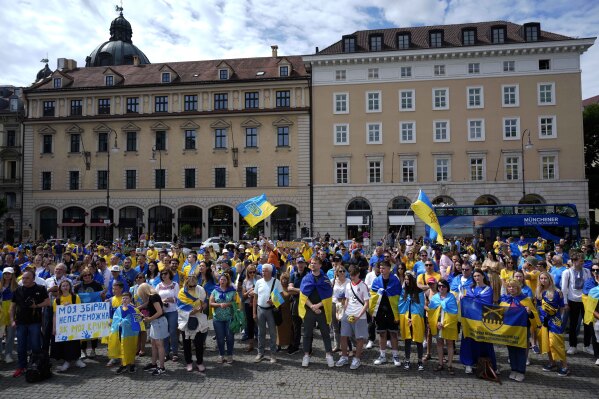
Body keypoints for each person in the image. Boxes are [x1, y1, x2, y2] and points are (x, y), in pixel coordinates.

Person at [10, 270, 50, 377]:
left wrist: (36, 306)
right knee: (21, 347)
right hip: (20, 322)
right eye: (23, 278)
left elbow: (48, 302)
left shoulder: (40, 288)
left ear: (33, 278)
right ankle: (21, 367)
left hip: (35, 322)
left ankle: (35, 365)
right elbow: (12, 306)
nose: (24, 280)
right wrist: (12, 320)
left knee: (36, 345)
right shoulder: (17, 290)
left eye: (27, 278)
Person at [298, 257, 335, 368]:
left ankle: (328, 355)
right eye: (311, 263)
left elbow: (329, 296)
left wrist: (318, 305)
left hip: (322, 310)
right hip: (310, 309)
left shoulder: (325, 279)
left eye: (315, 263)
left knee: (325, 333)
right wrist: (312, 306)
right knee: (307, 334)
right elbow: (303, 295)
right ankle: (306, 355)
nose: (313, 265)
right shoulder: (306, 278)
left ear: (320, 265)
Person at [460, 268, 497, 374]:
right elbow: (466, 302)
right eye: (475, 276)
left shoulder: (488, 290)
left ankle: (489, 364)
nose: (477, 278)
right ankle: (468, 363)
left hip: (482, 321)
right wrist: (463, 298)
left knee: (484, 342)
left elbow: (487, 304)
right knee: (469, 341)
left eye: (478, 276)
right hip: (470, 320)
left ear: (483, 276)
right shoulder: (469, 288)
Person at [499, 278, 536, 381]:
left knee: (520, 350)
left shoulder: (525, 299)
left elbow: (534, 317)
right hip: (509, 330)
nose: (511, 289)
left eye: (514, 287)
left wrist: (529, 312)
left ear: (518, 288)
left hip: (522, 330)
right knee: (511, 350)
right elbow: (500, 314)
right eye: (509, 287)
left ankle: (521, 371)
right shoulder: (505, 299)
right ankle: (514, 369)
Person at [335, 265, 369, 369]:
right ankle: (344, 357)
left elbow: (367, 303)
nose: (352, 277)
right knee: (343, 336)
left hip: (359, 315)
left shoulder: (363, 285)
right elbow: (346, 300)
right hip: (347, 314)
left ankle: (357, 359)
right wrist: (342, 313)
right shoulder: (348, 285)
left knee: (359, 338)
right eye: (351, 275)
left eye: (354, 275)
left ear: (358, 274)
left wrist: (359, 316)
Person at [537, 271, 570, 376]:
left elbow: (562, 308)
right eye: (541, 278)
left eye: (545, 278)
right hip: (544, 321)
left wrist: (556, 317)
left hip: (555, 321)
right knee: (547, 343)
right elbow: (538, 306)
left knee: (556, 343)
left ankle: (565, 366)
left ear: (550, 279)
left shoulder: (557, 291)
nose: (543, 280)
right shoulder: (539, 291)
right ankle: (552, 363)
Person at [370, 260, 402, 366]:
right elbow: (372, 295)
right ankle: (382, 355)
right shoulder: (376, 281)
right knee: (382, 333)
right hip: (380, 311)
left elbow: (399, 296)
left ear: (389, 269)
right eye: (380, 268)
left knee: (393, 333)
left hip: (392, 311)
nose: (381, 270)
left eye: (384, 268)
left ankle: (395, 356)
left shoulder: (395, 281)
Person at [51, 279, 85, 372]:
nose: (65, 287)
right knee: (65, 344)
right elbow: (55, 315)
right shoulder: (57, 300)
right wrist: (54, 327)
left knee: (75, 342)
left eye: (67, 285)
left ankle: (77, 359)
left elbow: (79, 310)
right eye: (63, 286)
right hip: (62, 327)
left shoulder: (75, 297)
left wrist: (70, 307)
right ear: (60, 288)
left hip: (74, 325)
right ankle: (67, 361)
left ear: (70, 287)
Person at [561, 253, 592, 354]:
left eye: (583, 261)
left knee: (587, 324)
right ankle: (572, 345)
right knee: (573, 324)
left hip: (585, 301)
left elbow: (589, 286)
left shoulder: (587, 271)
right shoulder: (567, 272)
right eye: (580, 261)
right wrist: (565, 303)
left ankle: (587, 345)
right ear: (574, 261)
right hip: (572, 301)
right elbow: (564, 288)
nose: (582, 263)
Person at [177, 274, 208, 373]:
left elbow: (205, 303)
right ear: (186, 284)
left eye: (194, 285)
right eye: (190, 286)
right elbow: (180, 307)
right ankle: (189, 362)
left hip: (198, 319)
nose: (193, 287)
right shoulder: (181, 292)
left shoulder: (200, 289)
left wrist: (202, 307)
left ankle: (199, 362)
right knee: (187, 343)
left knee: (199, 343)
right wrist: (191, 312)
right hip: (185, 319)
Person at [253, 263, 283, 363]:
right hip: (260, 309)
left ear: (270, 272)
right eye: (262, 270)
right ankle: (260, 353)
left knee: (272, 333)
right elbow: (255, 297)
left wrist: (274, 301)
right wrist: (254, 312)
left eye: (265, 270)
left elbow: (281, 297)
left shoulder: (276, 282)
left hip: (271, 310)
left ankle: (273, 354)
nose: (263, 272)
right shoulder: (258, 282)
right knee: (261, 332)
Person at [427, 278, 458, 375]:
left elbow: (454, 312)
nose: (441, 288)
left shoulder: (451, 297)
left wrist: (445, 323)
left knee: (449, 344)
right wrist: (436, 322)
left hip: (448, 325)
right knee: (439, 343)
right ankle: (440, 363)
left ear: (447, 287)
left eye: (443, 286)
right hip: (438, 324)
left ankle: (449, 365)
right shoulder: (435, 298)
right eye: (439, 286)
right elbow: (431, 313)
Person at [138, 283, 168, 376]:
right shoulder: (152, 297)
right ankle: (154, 364)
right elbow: (146, 304)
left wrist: (149, 319)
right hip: (155, 322)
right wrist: (137, 309)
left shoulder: (153, 297)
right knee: (154, 344)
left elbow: (159, 312)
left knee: (159, 345)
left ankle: (162, 367)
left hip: (158, 322)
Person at [76, 266, 105, 359]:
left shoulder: (97, 285)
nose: (87, 277)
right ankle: (83, 350)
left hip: (94, 313)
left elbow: (102, 298)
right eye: (85, 275)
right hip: (82, 313)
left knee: (94, 331)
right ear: (82, 277)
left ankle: (93, 349)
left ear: (91, 275)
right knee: (83, 332)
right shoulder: (77, 286)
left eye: (89, 275)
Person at [210, 273, 239, 363]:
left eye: (224, 280)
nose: (222, 281)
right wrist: (219, 304)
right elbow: (211, 303)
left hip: (229, 317)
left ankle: (230, 355)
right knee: (220, 338)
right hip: (218, 318)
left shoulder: (232, 291)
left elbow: (236, 303)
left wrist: (228, 304)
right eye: (221, 279)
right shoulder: (215, 291)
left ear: (227, 281)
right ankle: (221, 354)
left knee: (230, 337)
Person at [399, 272, 426, 370]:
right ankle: (407, 360)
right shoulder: (404, 291)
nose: (406, 281)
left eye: (408, 279)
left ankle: (420, 361)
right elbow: (401, 305)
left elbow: (420, 306)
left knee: (418, 340)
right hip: (407, 318)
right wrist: (407, 318)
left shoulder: (419, 292)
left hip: (417, 319)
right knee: (407, 340)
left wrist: (413, 319)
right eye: (405, 279)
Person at [111, 291, 142, 374]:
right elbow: (115, 319)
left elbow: (139, 321)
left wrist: (127, 321)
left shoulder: (134, 310)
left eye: (127, 298)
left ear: (130, 299)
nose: (124, 300)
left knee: (131, 347)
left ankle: (132, 364)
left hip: (131, 334)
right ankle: (123, 365)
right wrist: (120, 322)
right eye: (123, 298)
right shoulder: (118, 309)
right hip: (121, 332)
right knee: (122, 348)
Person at [156, 269, 179, 361]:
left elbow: (179, 298)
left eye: (165, 274)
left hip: (173, 310)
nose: (163, 275)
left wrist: (171, 300)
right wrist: (162, 301)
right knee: (164, 332)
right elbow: (156, 299)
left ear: (169, 274)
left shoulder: (175, 284)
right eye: (162, 274)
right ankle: (166, 352)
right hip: (162, 311)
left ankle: (175, 352)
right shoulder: (158, 286)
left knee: (173, 331)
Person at [287, 257, 308, 354]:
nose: (300, 265)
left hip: (307, 303)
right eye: (298, 263)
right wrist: (300, 290)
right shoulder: (293, 274)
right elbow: (289, 289)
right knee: (296, 326)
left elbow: (308, 290)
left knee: (308, 325)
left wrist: (295, 290)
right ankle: (296, 345)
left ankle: (308, 347)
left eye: (302, 263)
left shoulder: (308, 275)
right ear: (296, 264)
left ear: (304, 264)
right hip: (296, 302)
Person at [1, 267, 17, 363]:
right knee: (0, 334)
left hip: (12, 310)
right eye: (5, 273)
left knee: (10, 335)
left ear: (12, 275)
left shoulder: (16, 286)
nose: (7, 275)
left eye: (9, 273)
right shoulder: (0, 285)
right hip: (1, 311)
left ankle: (8, 354)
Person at [331, 264, 349, 352]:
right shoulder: (333, 281)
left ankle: (350, 346)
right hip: (334, 304)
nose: (342, 273)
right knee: (335, 326)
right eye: (340, 271)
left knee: (346, 326)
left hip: (345, 305)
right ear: (337, 273)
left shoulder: (348, 281)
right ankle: (337, 345)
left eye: (344, 271)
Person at [241, 264, 258, 352]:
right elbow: (243, 296)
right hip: (248, 304)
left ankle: (260, 342)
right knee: (250, 323)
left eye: (253, 271)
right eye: (250, 272)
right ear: (247, 272)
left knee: (259, 322)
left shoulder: (259, 279)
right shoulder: (245, 281)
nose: (252, 273)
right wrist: (249, 292)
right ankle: (251, 343)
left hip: (258, 303)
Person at [276, 272, 294, 352]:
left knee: (289, 328)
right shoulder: (278, 288)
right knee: (279, 329)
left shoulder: (290, 289)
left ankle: (289, 343)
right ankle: (278, 344)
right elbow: (275, 300)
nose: (284, 281)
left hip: (288, 311)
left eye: (286, 279)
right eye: (283, 279)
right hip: (279, 311)